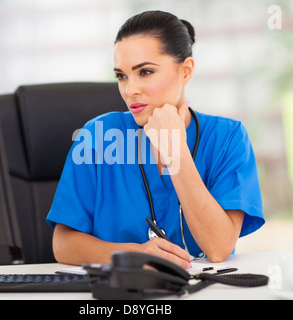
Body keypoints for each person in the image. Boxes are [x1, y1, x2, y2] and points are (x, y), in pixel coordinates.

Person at [46, 10, 264, 268]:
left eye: (146, 72)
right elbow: (63, 244)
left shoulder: (227, 138)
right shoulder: (98, 136)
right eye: (121, 76)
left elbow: (218, 248)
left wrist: (176, 151)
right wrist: (135, 254)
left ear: (185, 71)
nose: (130, 90)